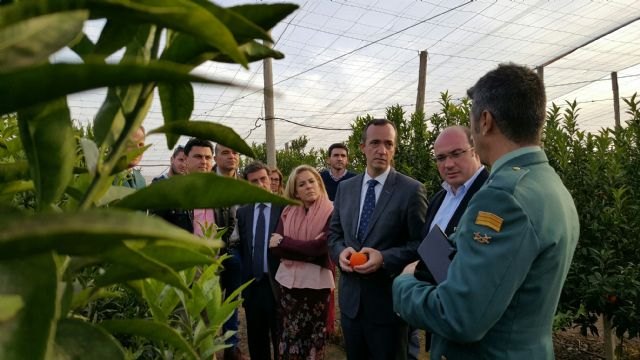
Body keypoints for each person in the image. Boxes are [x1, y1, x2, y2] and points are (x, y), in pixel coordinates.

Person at [393, 63, 580, 359]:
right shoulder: (550, 185)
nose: (448, 163)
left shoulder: (503, 197)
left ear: (485, 121)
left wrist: (404, 284)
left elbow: (459, 316)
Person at [328, 119, 427, 360]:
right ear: (362, 147)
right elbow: (334, 234)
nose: (381, 150)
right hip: (351, 306)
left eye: (388, 144)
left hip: (388, 307)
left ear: (394, 149)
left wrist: (384, 258)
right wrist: (340, 251)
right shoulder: (346, 189)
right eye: (375, 143)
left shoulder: (411, 190)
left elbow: (421, 246)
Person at [407, 125, 488, 359]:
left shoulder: (490, 196)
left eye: (456, 154)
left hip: (471, 328)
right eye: (441, 157)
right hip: (440, 316)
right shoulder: (439, 198)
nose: (448, 164)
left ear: (475, 151)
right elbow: (429, 250)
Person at [269, 165, 335, 359]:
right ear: (295, 191)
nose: (308, 186)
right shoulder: (288, 212)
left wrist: (286, 243)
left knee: (313, 340)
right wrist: (307, 250)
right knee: (290, 337)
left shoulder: (331, 211)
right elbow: (274, 248)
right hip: (289, 287)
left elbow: (321, 249)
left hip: (317, 288)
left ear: (319, 184)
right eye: (302, 184)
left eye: (312, 181)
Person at [234, 162, 284, 360]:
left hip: (277, 284)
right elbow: (244, 247)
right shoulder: (243, 213)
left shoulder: (284, 208)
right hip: (253, 286)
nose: (260, 184)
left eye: (263, 179)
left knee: (280, 338)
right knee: (256, 340)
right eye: (254, 181)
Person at [212, 143, 245, 360]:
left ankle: (231, 347)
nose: (231, 156)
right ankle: (207, 347)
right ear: (215, 157)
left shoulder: (244, 184)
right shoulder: (206, 183)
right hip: (210, 254)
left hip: (237, 250)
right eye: (225, 152)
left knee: (232, 301)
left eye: (235, 153)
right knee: (209, 303)